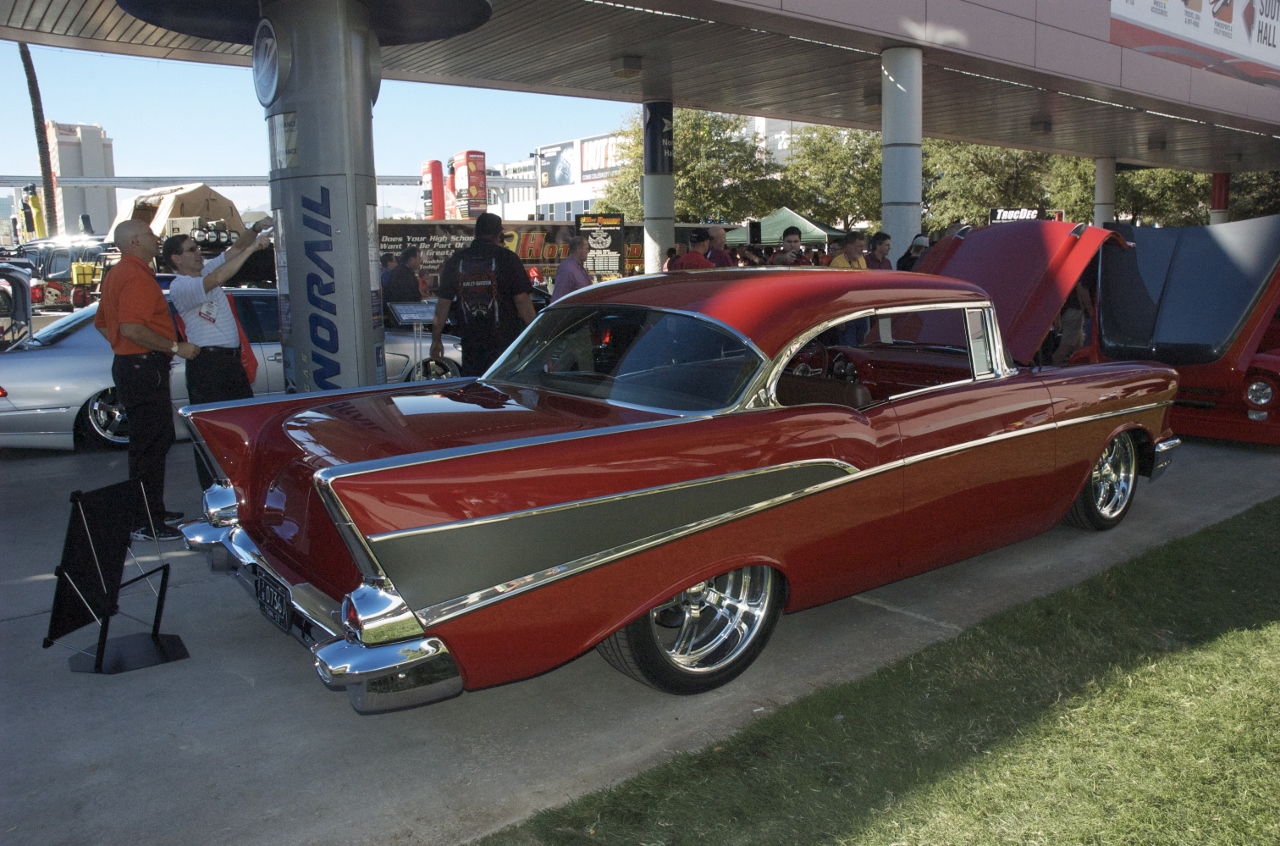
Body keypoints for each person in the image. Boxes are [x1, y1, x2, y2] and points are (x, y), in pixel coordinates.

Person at [94, 219, 199, 542]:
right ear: (136, 241)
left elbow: (104, 324)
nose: (157, 239)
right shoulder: (136, 276)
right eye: (152, 235)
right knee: (151, 443)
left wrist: (125, 350)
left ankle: (149, 509)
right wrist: (173, 347)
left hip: (135, 365)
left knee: (152, 441)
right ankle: (144, 519)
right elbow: (131, 328)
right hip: (142, 366)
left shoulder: (118, 274)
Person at [431, 212, 536, 376]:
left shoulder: (456, 260)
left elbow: (443, 304)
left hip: (471, 345)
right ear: (499, 233)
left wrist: (436, 339)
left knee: (477, 393)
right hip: (505, 344)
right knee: (503, 393)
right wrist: (536, 335)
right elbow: (522, 302)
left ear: (475, 232)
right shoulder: (508, 259)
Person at [552, 235, 591, 302]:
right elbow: (558, 299)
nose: (588, 251)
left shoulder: (580, 269)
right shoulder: (567, 270)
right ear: (579, 250)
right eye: (587, 248)